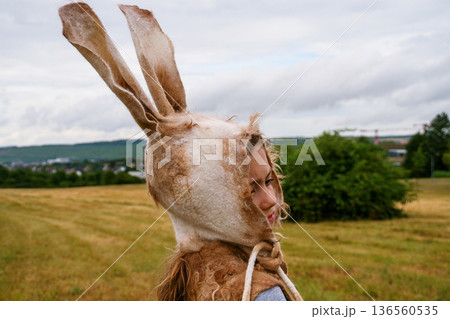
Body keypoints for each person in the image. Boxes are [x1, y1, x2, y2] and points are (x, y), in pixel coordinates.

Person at [59, 2, 301, 301]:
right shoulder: (260, 293)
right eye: (248, 190)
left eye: (267, 182)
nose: (271, 200)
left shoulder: (193, 264)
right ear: (203, 199)